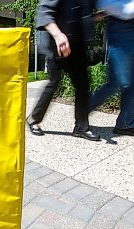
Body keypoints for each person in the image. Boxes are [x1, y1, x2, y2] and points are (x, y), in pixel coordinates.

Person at [26, 0, 101, 141]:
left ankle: (81, 127)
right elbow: (45, 12)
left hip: (78, 45)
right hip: (58, 43)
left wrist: (98, 16)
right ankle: (33, 119)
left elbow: (83, 14)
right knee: (54, 82)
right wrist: (57, 34)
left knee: (83, 84)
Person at [90, 0, 134, 137]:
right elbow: (105, 3)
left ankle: (126, 124)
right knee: (119, 81)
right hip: (121, 29)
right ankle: (83, 110)